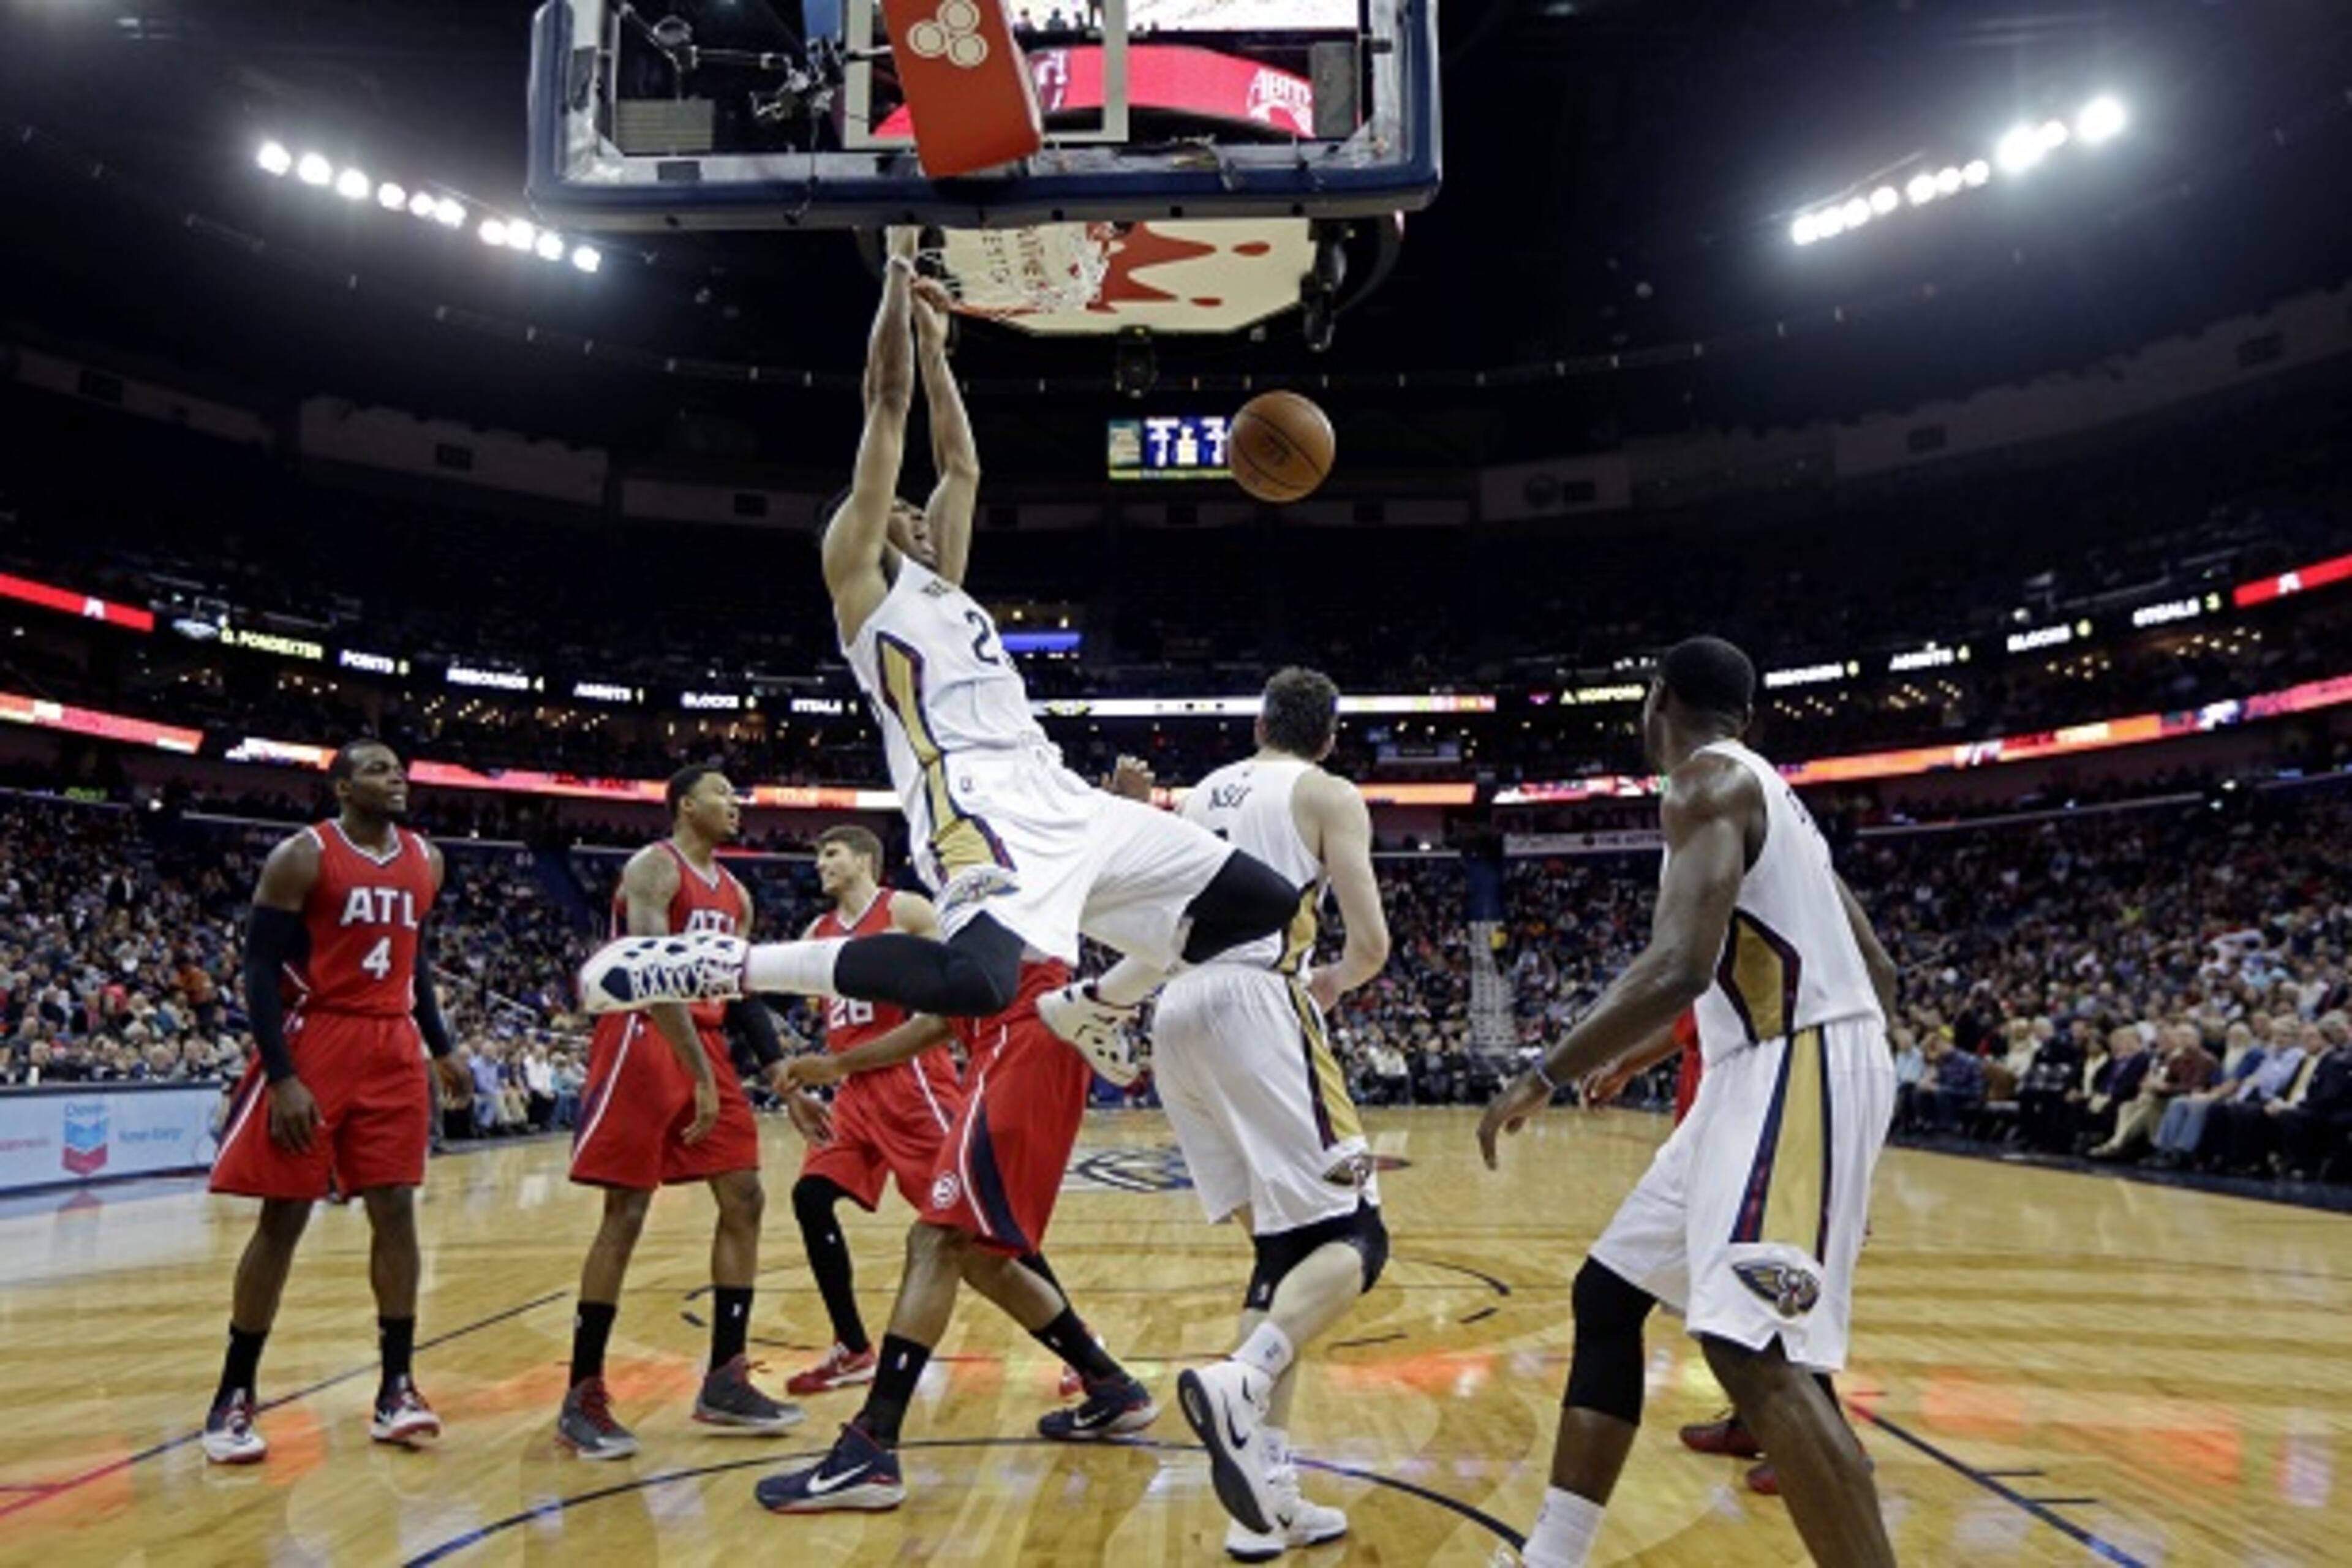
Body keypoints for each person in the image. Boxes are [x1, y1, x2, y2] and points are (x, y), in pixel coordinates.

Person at [577, 230, 1299, 1077]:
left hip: (1059, 795)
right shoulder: (861, 584)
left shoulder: (944, 587)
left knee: (1266, 906)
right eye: (899, 509)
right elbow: (887, 405)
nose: (918, 513)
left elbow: (963, 467)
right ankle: (726, 967)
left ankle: (1092, 1007)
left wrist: (935, 343)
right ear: (857, 525)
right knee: (979, 981)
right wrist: (895, 274)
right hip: (972, 801)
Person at [1479, 637, 1898, 1568]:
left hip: (1795, 1067)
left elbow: (1680, 965)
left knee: (1753, 1353)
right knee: (1608, 1293)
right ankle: (1554, 1554)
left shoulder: (1702, 785)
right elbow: (1877, 968)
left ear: (1656, 698)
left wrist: (1538, 1075)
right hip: (1775, 1068)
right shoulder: (1775, 798)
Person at [1113, 668, 1393, 1562]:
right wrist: (1338, 980)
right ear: (1329, 735)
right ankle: (1245, 1376)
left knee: (1284, 1256)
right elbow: (1374, 941)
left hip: (1178, 1012)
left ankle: (1262, 1506)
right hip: (1260, 1003)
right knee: (1359, 1235)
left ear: (1263, 721)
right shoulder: (1327, 791)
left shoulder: (1198, 795)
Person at [756, 955, 1155, 1512]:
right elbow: (941, 1020)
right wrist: (838, 1064)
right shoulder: (981, 923)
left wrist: (749, 968)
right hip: (1020, 1050)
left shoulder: (991, 896)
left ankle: (872, 1443)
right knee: (978, 1255)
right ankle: (1109, 1384)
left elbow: (948, 998)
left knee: (936, 1241)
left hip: (1018, 1050)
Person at [202, 740, 470, 1464]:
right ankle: (233, 1394)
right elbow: (258, 969)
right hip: (319, 1034)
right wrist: (285, 1075)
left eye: (400, 767)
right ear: (344, 787)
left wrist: (440, 1043)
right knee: (283, 1216)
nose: (399, 777)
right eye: (379, 769)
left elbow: (414, 965)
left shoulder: (427, 859)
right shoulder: (302, 855)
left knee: (397, 1208)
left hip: (392, 1042)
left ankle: (397, 1386)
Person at [556, 764, 832, 1460]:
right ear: (684, 804)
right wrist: (697, 1071)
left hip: (703, 1041)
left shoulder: (735, 894)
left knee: (744, 1196)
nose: (735, 802)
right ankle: (582, 1392)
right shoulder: (655, 867)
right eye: (720, 792)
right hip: (641, 1035)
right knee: (626, 1211)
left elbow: (739, 995)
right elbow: (649, 969)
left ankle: (725, 1378)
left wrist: (784, 1082)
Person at [783, 823, 947, 1395]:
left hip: (913, 1081)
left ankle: (1082, 1343)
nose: (820, 864)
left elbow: (948, 999)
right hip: (851, 1090)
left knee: (971, 1220)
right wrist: (794, 1087)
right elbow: (812, 1023)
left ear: (864, 859)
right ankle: (853, 1348)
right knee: (811, 1198)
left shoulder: (904, 909)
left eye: (830, 853)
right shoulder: (817, 931)